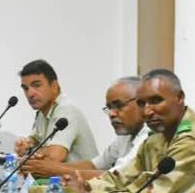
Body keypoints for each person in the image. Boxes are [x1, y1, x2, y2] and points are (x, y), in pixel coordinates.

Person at [22, 76, 150, 180]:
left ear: (142, 103)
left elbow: (117, 177)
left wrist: (56, 170)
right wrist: (46, 167)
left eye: (119, 106)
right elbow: (94, 165)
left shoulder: (147, 136)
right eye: (109, 108)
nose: (111, 114)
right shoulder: (125, 136)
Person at [13, 59, 98, 164]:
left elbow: (54, 157)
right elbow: (33, 141)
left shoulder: (67, 109)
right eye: (25, 88)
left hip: (83, 174)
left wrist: (30, 151)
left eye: (37, 85)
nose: (30, 94)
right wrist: (23, 144)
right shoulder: (42, 112)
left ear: (54, 86)